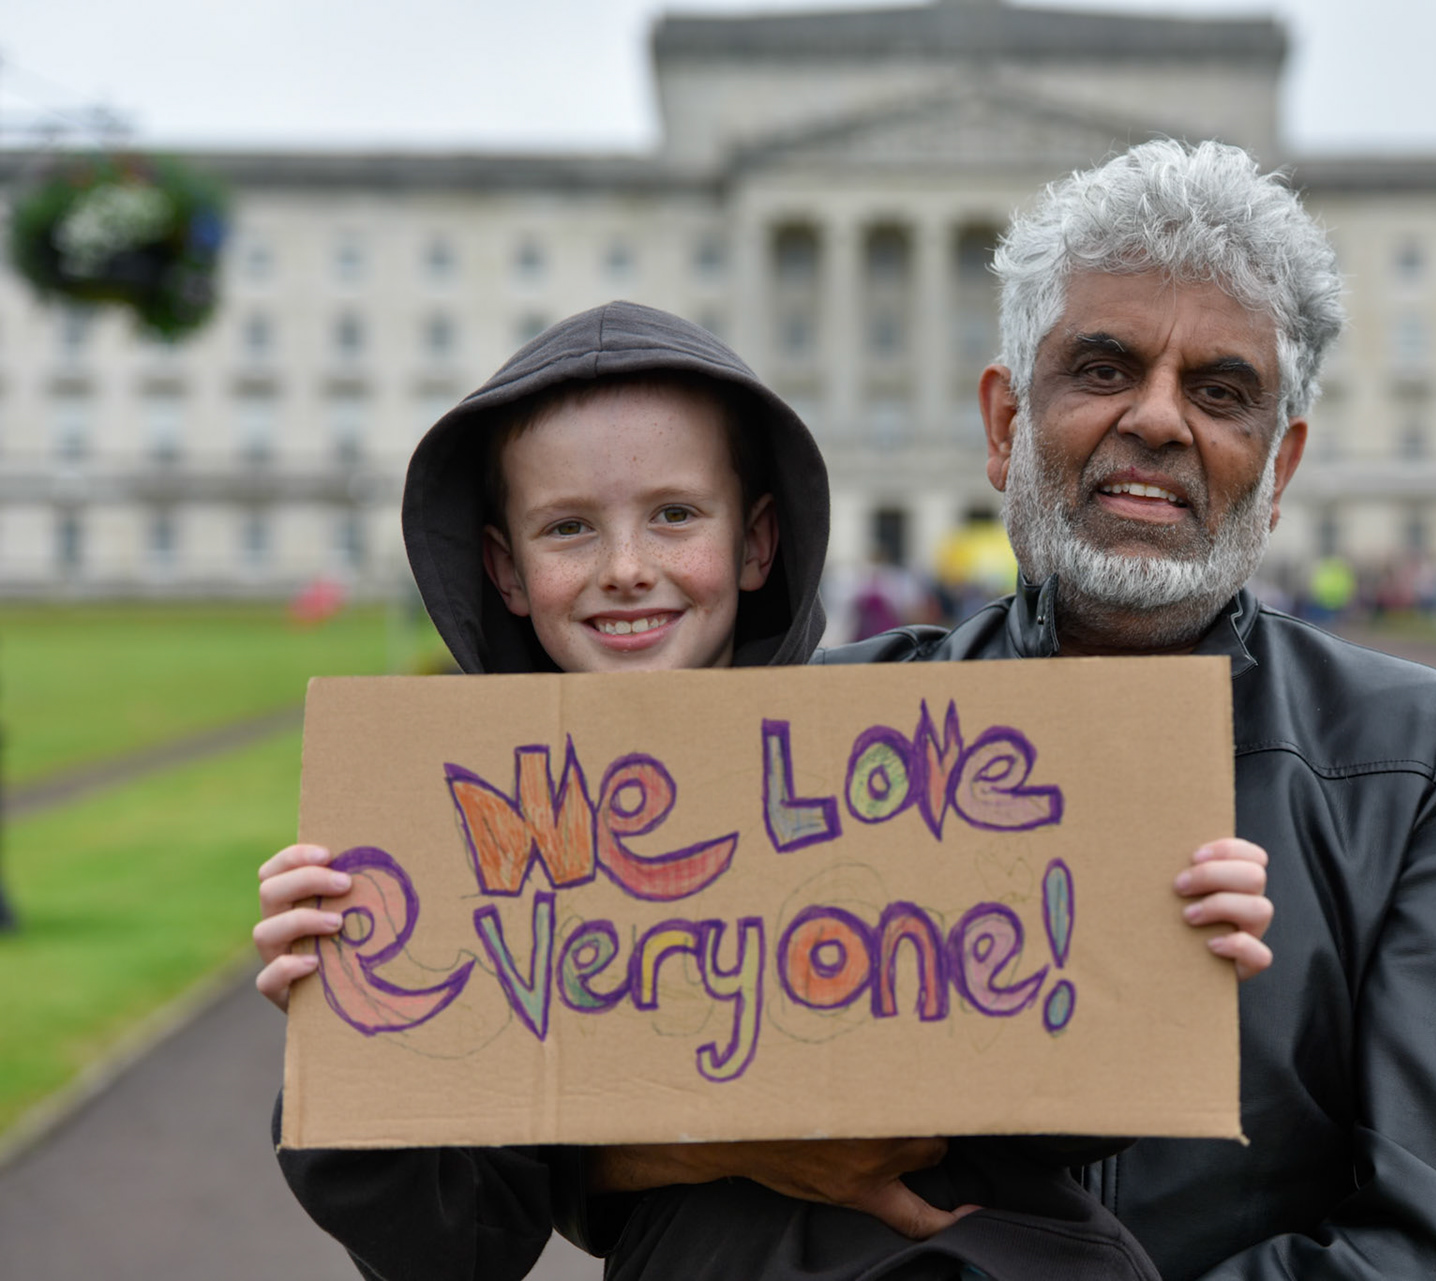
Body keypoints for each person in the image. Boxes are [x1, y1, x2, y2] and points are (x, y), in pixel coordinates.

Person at [254, 301, 1274, 1280]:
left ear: (755, 543)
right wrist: (339, 1039)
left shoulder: (905, 751)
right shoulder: (472, 841)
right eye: (568, 529)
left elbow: (1063, 1101)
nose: (625, 568)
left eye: (673, 516)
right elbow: (458, 1241)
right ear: (505, 569)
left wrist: (1169, 936)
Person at [809, 141, 1436, 1279]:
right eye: (1103, 369)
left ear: (1279, 463)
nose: (1159, 421)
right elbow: (619, 1159)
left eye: (1221, 392)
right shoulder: (824, 729)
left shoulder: (1415, 758)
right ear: (1007, 423)